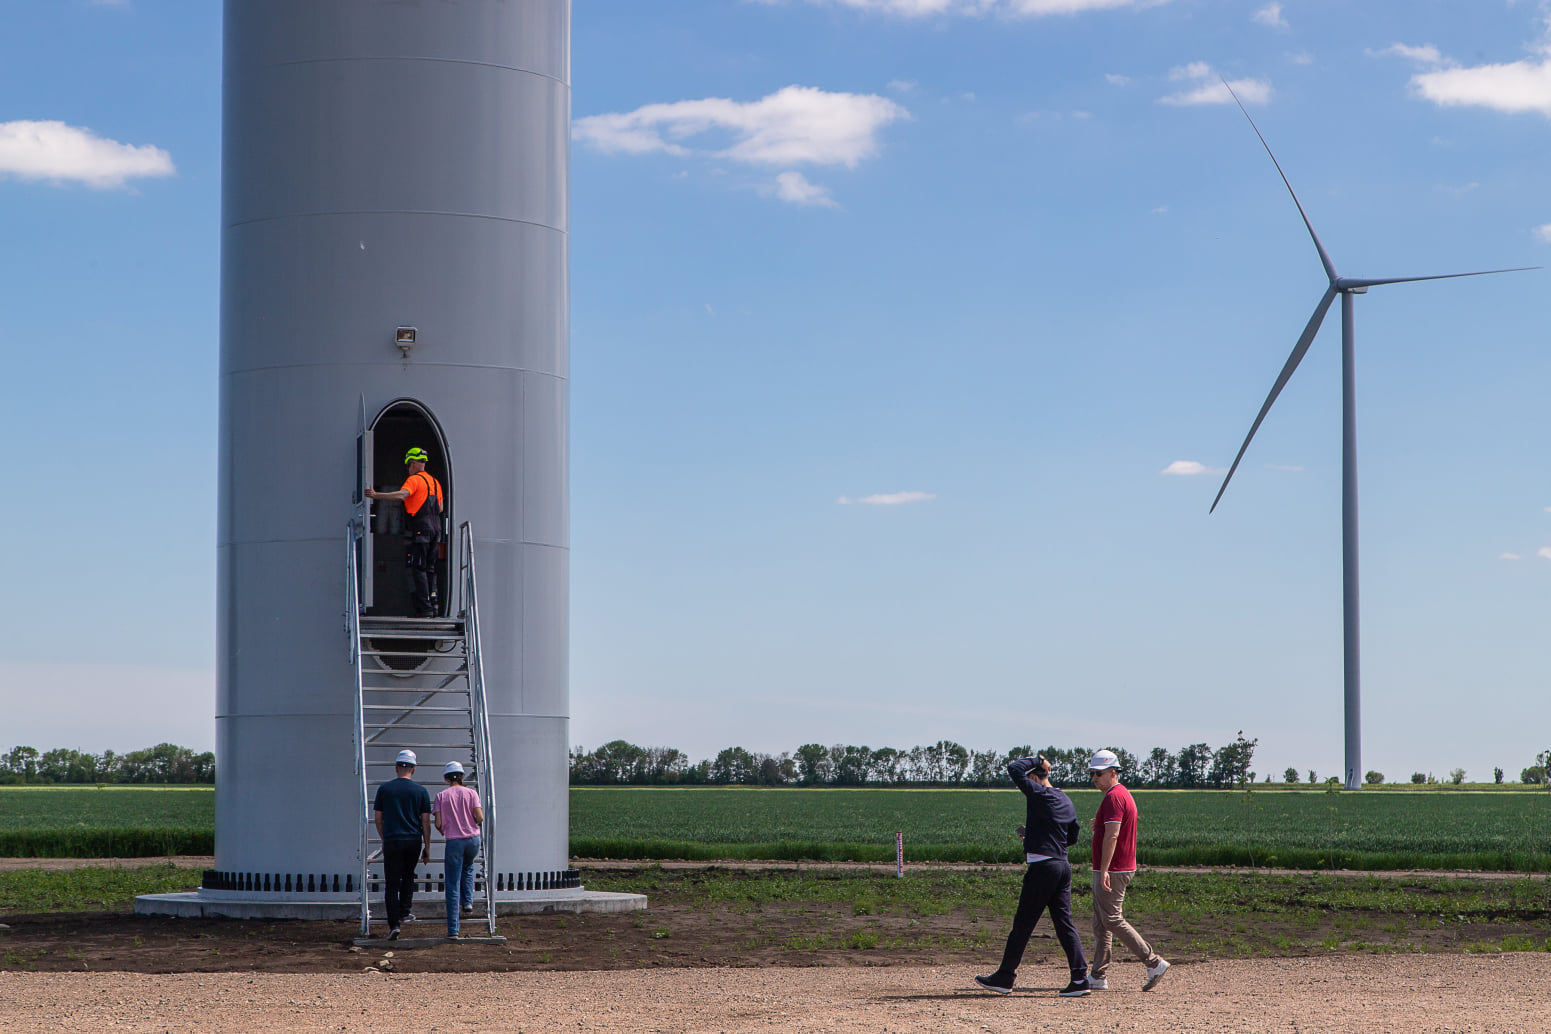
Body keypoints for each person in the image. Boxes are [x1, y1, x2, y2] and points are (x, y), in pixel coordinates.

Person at [975, 755, 1090, 997]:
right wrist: (1039, 840)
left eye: (1030, 780)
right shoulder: (1065, 799)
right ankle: (1080, 978)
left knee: (1023, 925)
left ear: (1035, 778)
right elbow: (1072, 836)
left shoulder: (1039, 794)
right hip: (1062, 865)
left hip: (1043, 868)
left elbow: (1014, 769)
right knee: (1064, 923)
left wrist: (1040, 759)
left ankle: (1005, 977)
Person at [1085, 748, 1169, 991]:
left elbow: (1112, 836)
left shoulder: (1113, 798)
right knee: (1101, 923)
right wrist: (1097, 825)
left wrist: (1104, 871)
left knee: (1111, 919)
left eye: (1098, 773)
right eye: (1092, 773)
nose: (1094, 778)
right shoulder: (1119, 795)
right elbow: (1110, 829)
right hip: (1118, 867)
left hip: (1114, 868)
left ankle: (1153, 962)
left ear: (1113, 772)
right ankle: (1098, 975)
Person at [365, 447, 444, 617]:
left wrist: (376, 495)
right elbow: (441, 507)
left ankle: (425, 609)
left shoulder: (414, 480)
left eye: (408, 465)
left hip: (421, 531)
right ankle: (434, 605)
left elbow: (402, 495)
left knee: (419, 568)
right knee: (430, 569)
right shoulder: (435, 483)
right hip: (436, 531)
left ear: (414, 463)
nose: (408, 469)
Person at [372, 749, 432, 939]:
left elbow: (378, 819)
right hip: (413, 840)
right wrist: (427, 846)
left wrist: (384, 839)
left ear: (396, 767)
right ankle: (405, 911)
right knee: (407, 877)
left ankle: (394, 924)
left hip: (392, 840)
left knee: (391, 883)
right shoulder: (421, 791)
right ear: (413, 769)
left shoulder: (384, 789)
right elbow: (425, 821)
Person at [433, 760, 484, 938]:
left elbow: (438, 823)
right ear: (462, 776)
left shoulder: (441, 796)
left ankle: (453, 930)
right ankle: (468, 902)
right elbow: (479, 817)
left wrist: (446, 829)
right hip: (473, 840)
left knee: (452, 883)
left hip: (454, 841)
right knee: (468, 867)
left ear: (446, 778)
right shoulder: (472, 793)